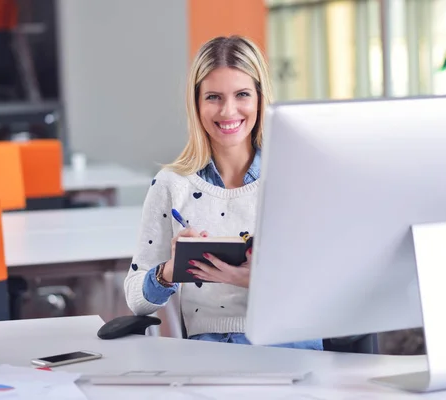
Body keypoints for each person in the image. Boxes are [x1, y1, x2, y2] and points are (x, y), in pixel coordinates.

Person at [124, 35, 323, 350]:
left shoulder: (295, 178)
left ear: (260, 97)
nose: (228, 111)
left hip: (290, 345)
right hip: (211, 352)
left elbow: (327, 288)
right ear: (197, 102)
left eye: (242, 94)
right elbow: (137, 299)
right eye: (214, 97)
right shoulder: (171, 184)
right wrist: (170, 271)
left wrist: (251, 280)